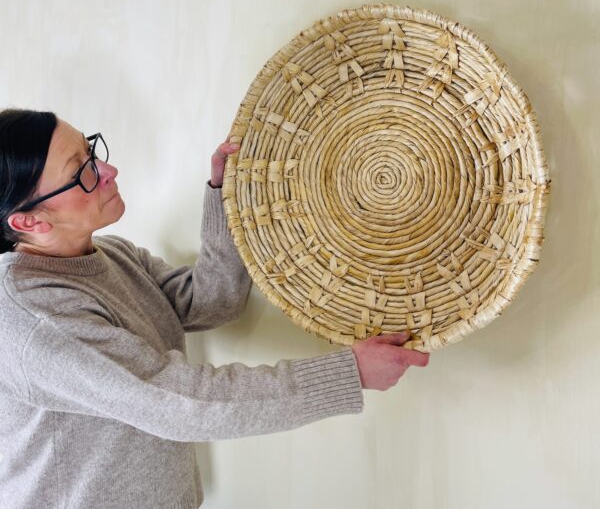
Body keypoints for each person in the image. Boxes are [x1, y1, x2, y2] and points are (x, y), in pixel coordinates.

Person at [0, 108, 430, 509]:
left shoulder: (112, 256)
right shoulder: (33, 319)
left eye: (92, 151)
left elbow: (211, 302)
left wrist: (228, 196)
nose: (108, 171)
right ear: (28, 222)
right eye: (83, 172)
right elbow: (175, 402)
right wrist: (347, 375)